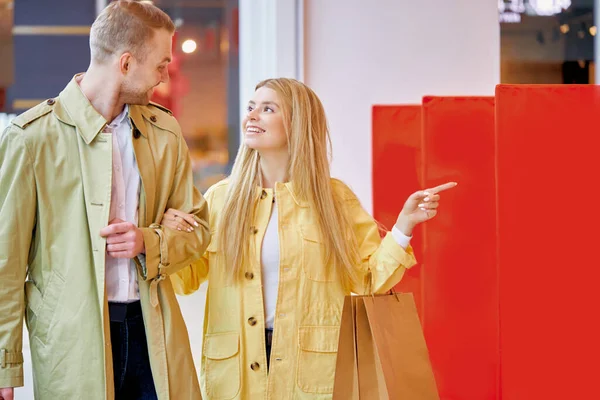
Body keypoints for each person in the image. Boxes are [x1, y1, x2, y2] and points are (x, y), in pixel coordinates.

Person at [164, 77, 456, 399]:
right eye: (251, 107)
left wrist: (404, 225)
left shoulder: (333, 200)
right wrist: (172, 239)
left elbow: (369, 280)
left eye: (268, 108)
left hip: (312, 368)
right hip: (236, 368)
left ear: (297, 124)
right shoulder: (221, 199)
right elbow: (188, 278)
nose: (252, 115)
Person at [0, 1, 209, 399]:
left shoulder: (165, 132)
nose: (165, 78)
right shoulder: (31, 138)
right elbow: (5, 261)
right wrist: (4, 364)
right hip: (71, 344)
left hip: (153, 333)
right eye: (161, 65)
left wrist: (149, 241)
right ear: (126, 63)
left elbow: (198, 229)